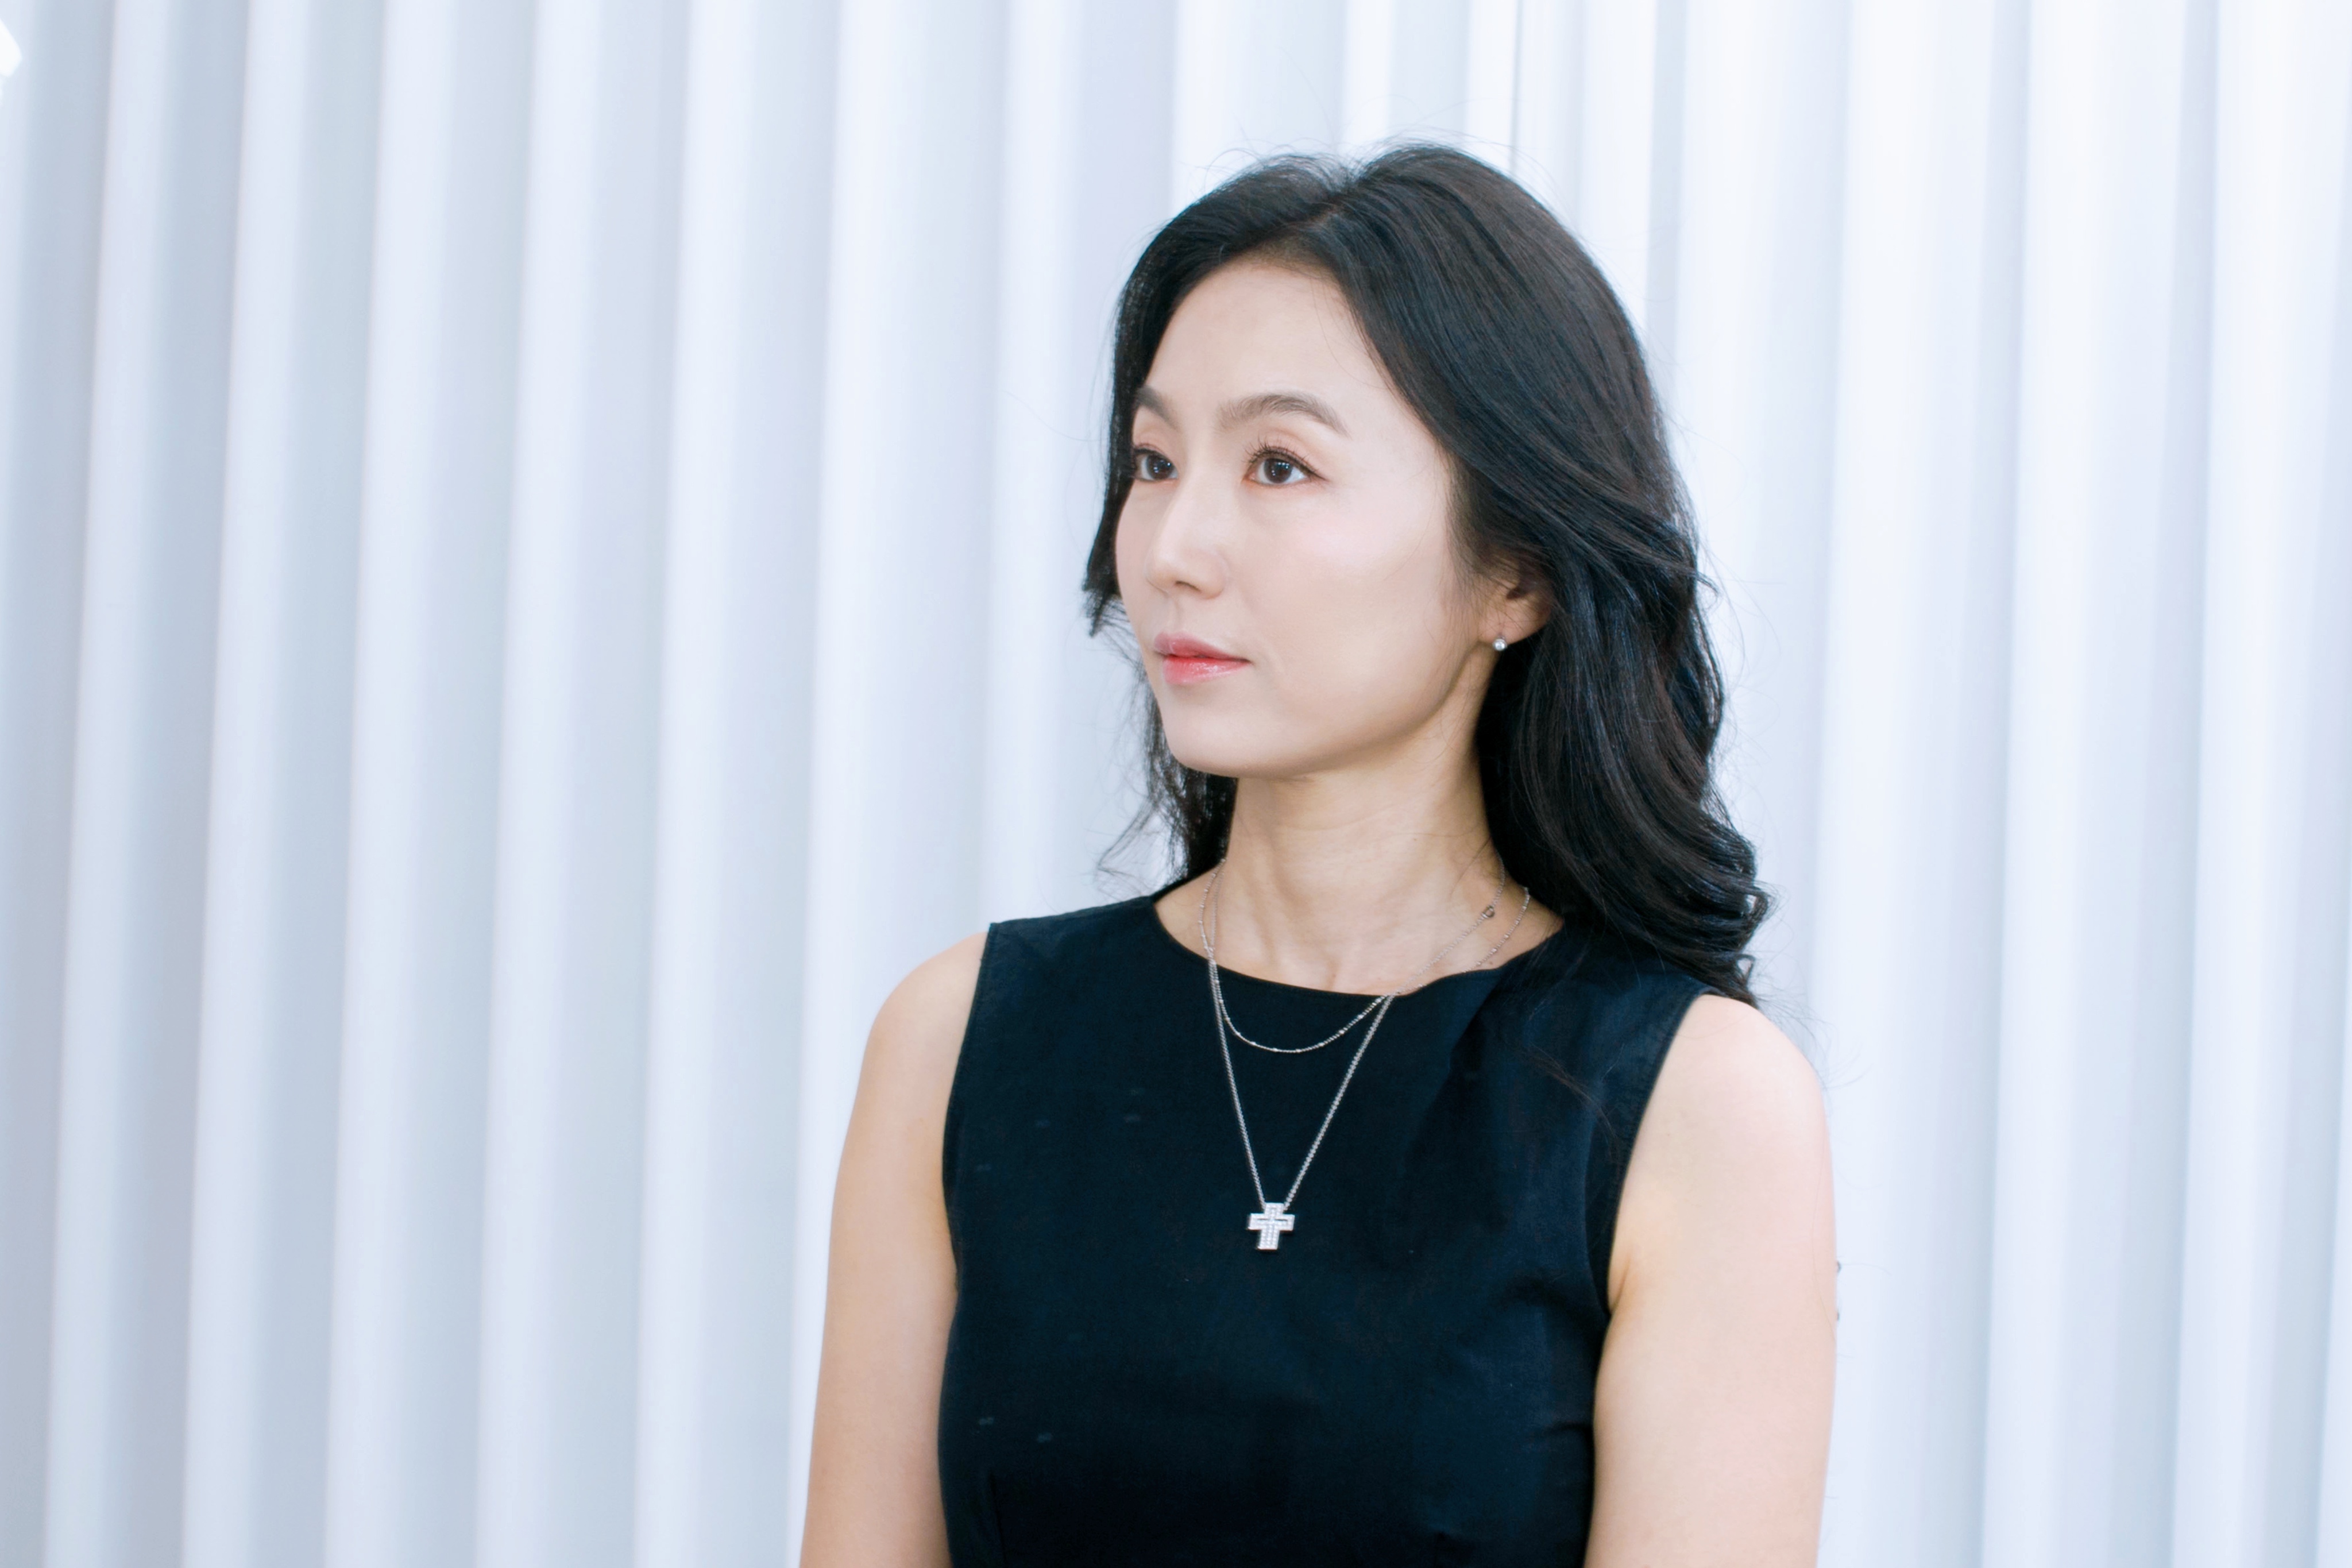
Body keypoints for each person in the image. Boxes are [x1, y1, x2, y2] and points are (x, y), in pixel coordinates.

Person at [801, 143, 1836, 1566]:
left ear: (1516, 570)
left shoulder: (1690, 1105)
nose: (1175, 545)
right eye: (1153, 462)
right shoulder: (957, 1040)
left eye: (1278, 465)